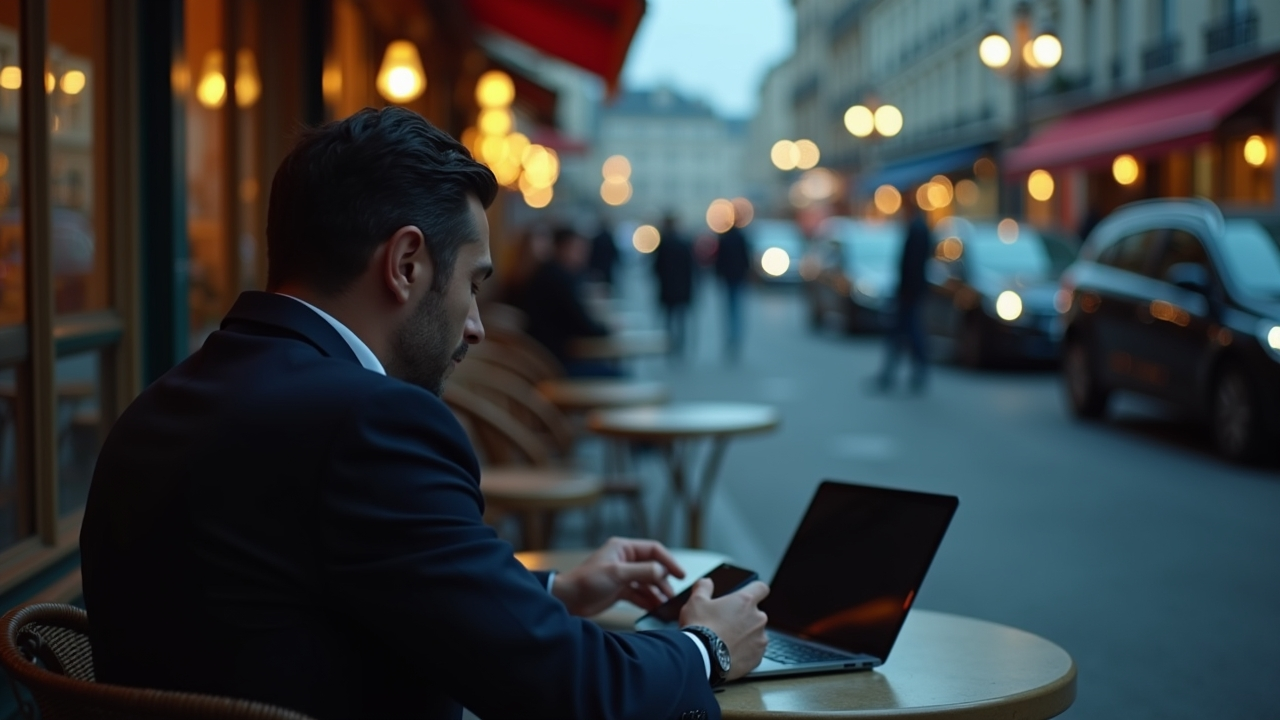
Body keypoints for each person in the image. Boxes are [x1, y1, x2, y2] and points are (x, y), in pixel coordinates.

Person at [79, 107, 769, 720]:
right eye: (472, 284)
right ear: (406, 263)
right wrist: (706, 647)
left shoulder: (163, 402)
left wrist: (554, 590)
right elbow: (568, 691)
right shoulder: (370, 423)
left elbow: (330, 578)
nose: (476, 325)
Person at [521, 226, 622, 376]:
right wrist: (608, 330)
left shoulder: (549, 273)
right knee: (619, 376)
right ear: (562, 248)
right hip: (553, 365)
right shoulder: (558, 279)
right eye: (578, 249)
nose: (583, 255)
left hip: (545, 359)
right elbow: (583, 324)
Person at [873, 192, 931, 393]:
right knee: (902, 333)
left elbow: (912, 265)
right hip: (910, 292)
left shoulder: (917, 230)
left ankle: (894, 374)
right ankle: (894, 374)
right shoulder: (918, 228)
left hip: (909, 292)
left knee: (905, 332)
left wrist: (905, 291)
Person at [653, 213, 695, 358]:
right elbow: (691, 270)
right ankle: (680, 345)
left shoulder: (663, 245)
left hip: (667, 288)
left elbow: (656, 268)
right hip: (682, 289)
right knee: (680, 319)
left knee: (669, 318)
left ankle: (669, 345)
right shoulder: (684, 244)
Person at [713, 221, 750, 361]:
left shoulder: (724, 239)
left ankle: (731, 336)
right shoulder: (741, 238)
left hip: (728, 279)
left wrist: (719, 275)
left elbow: (719, 260)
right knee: (737, 308)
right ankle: (736, 336)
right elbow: (746, 259)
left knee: (729, 309)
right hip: (738, 278)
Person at [587, 214, 621, 290]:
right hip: (607, 265)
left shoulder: (597, 238)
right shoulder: (609, 237)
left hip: (598, 266)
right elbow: (614, 252)